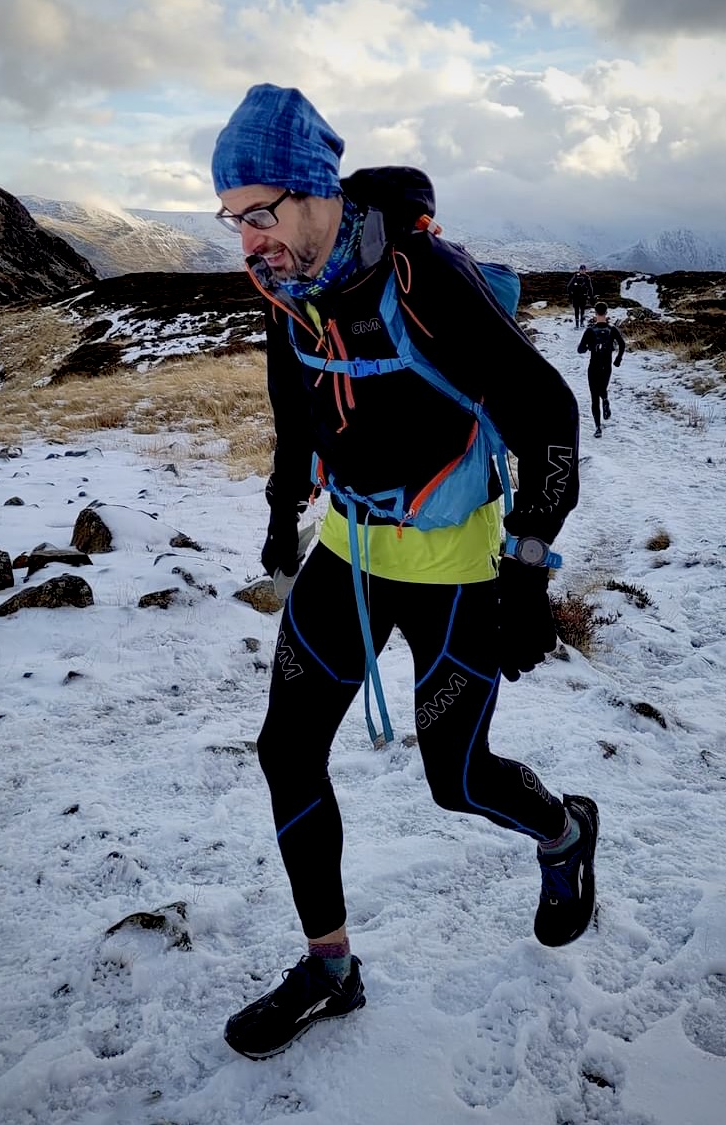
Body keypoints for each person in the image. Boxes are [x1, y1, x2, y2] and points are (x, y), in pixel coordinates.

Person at [211, 84, 599, 1061]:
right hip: (350, 549)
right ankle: (332, 970)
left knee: (458, 779)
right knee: (285, 751)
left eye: (260, 213)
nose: (247, 239)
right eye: (231, 221)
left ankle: (564, 835)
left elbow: (549, 415)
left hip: (456, 562)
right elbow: (295, 393)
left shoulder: (424, 279)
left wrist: (525, 569)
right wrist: (281, 499)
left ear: (314, 192)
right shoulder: (287, 284)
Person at [577, 301, 625, 438]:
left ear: (595, 313)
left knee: (594, 397)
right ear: (606, 312)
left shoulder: (590, 330)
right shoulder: (612, 329)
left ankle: (598, 428)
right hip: (607, 365)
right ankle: (605, 399)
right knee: (602, 388)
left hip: (594, 365)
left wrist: (587, 347)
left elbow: (580, 349)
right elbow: (622, 344)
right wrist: (618, 359)